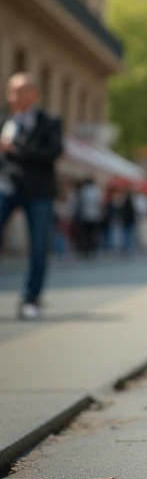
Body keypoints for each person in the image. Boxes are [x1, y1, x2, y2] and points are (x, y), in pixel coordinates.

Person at [0, 72, 63, 319]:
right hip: (6, 187)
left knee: (37, 246)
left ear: (34, 94)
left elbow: (52, 152)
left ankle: (31, 298)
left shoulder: (50, 121)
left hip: (38, 192)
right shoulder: (5, 118)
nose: (12, 96)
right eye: (10, 90)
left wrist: (15, 149)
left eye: (19, 91)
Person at [75, 177, 103, 257]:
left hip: (85, 215)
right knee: (93, 234)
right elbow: (99, 203)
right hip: (95, 216)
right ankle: (93, 250)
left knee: (85, 234)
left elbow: (79, 203)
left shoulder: (83, 190)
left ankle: (86, 250)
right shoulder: (97, 191)